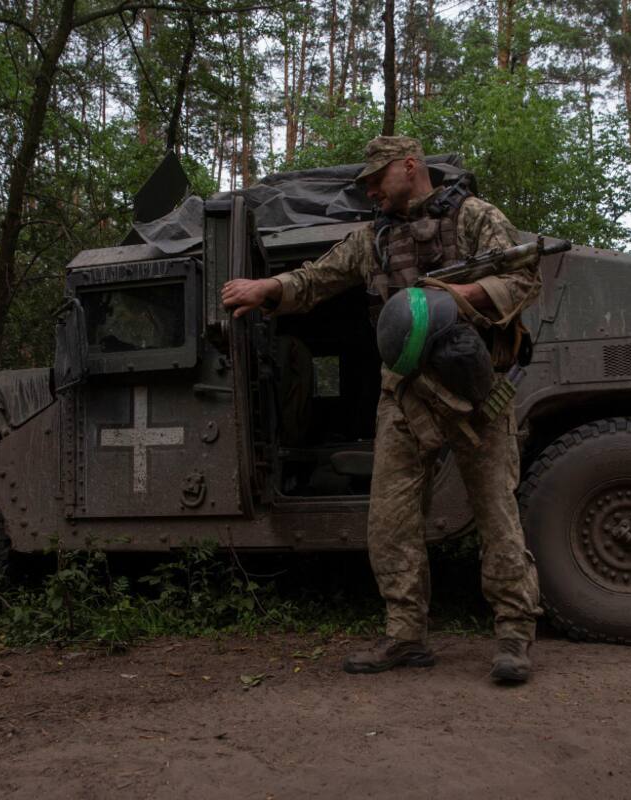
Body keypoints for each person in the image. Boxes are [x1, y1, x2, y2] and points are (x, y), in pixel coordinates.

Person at [221, 136, 541, 683]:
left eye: (376, 178)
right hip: (405, 393)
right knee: (389, 520)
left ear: (410, 166)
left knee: (496, 513)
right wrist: (267, 287)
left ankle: (514, 634)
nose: (369, 189)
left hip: (473, 387)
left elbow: (522, 279)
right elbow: (317, 279)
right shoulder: (373, 238)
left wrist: (453, 300)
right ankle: (405, 636)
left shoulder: (475, 218)